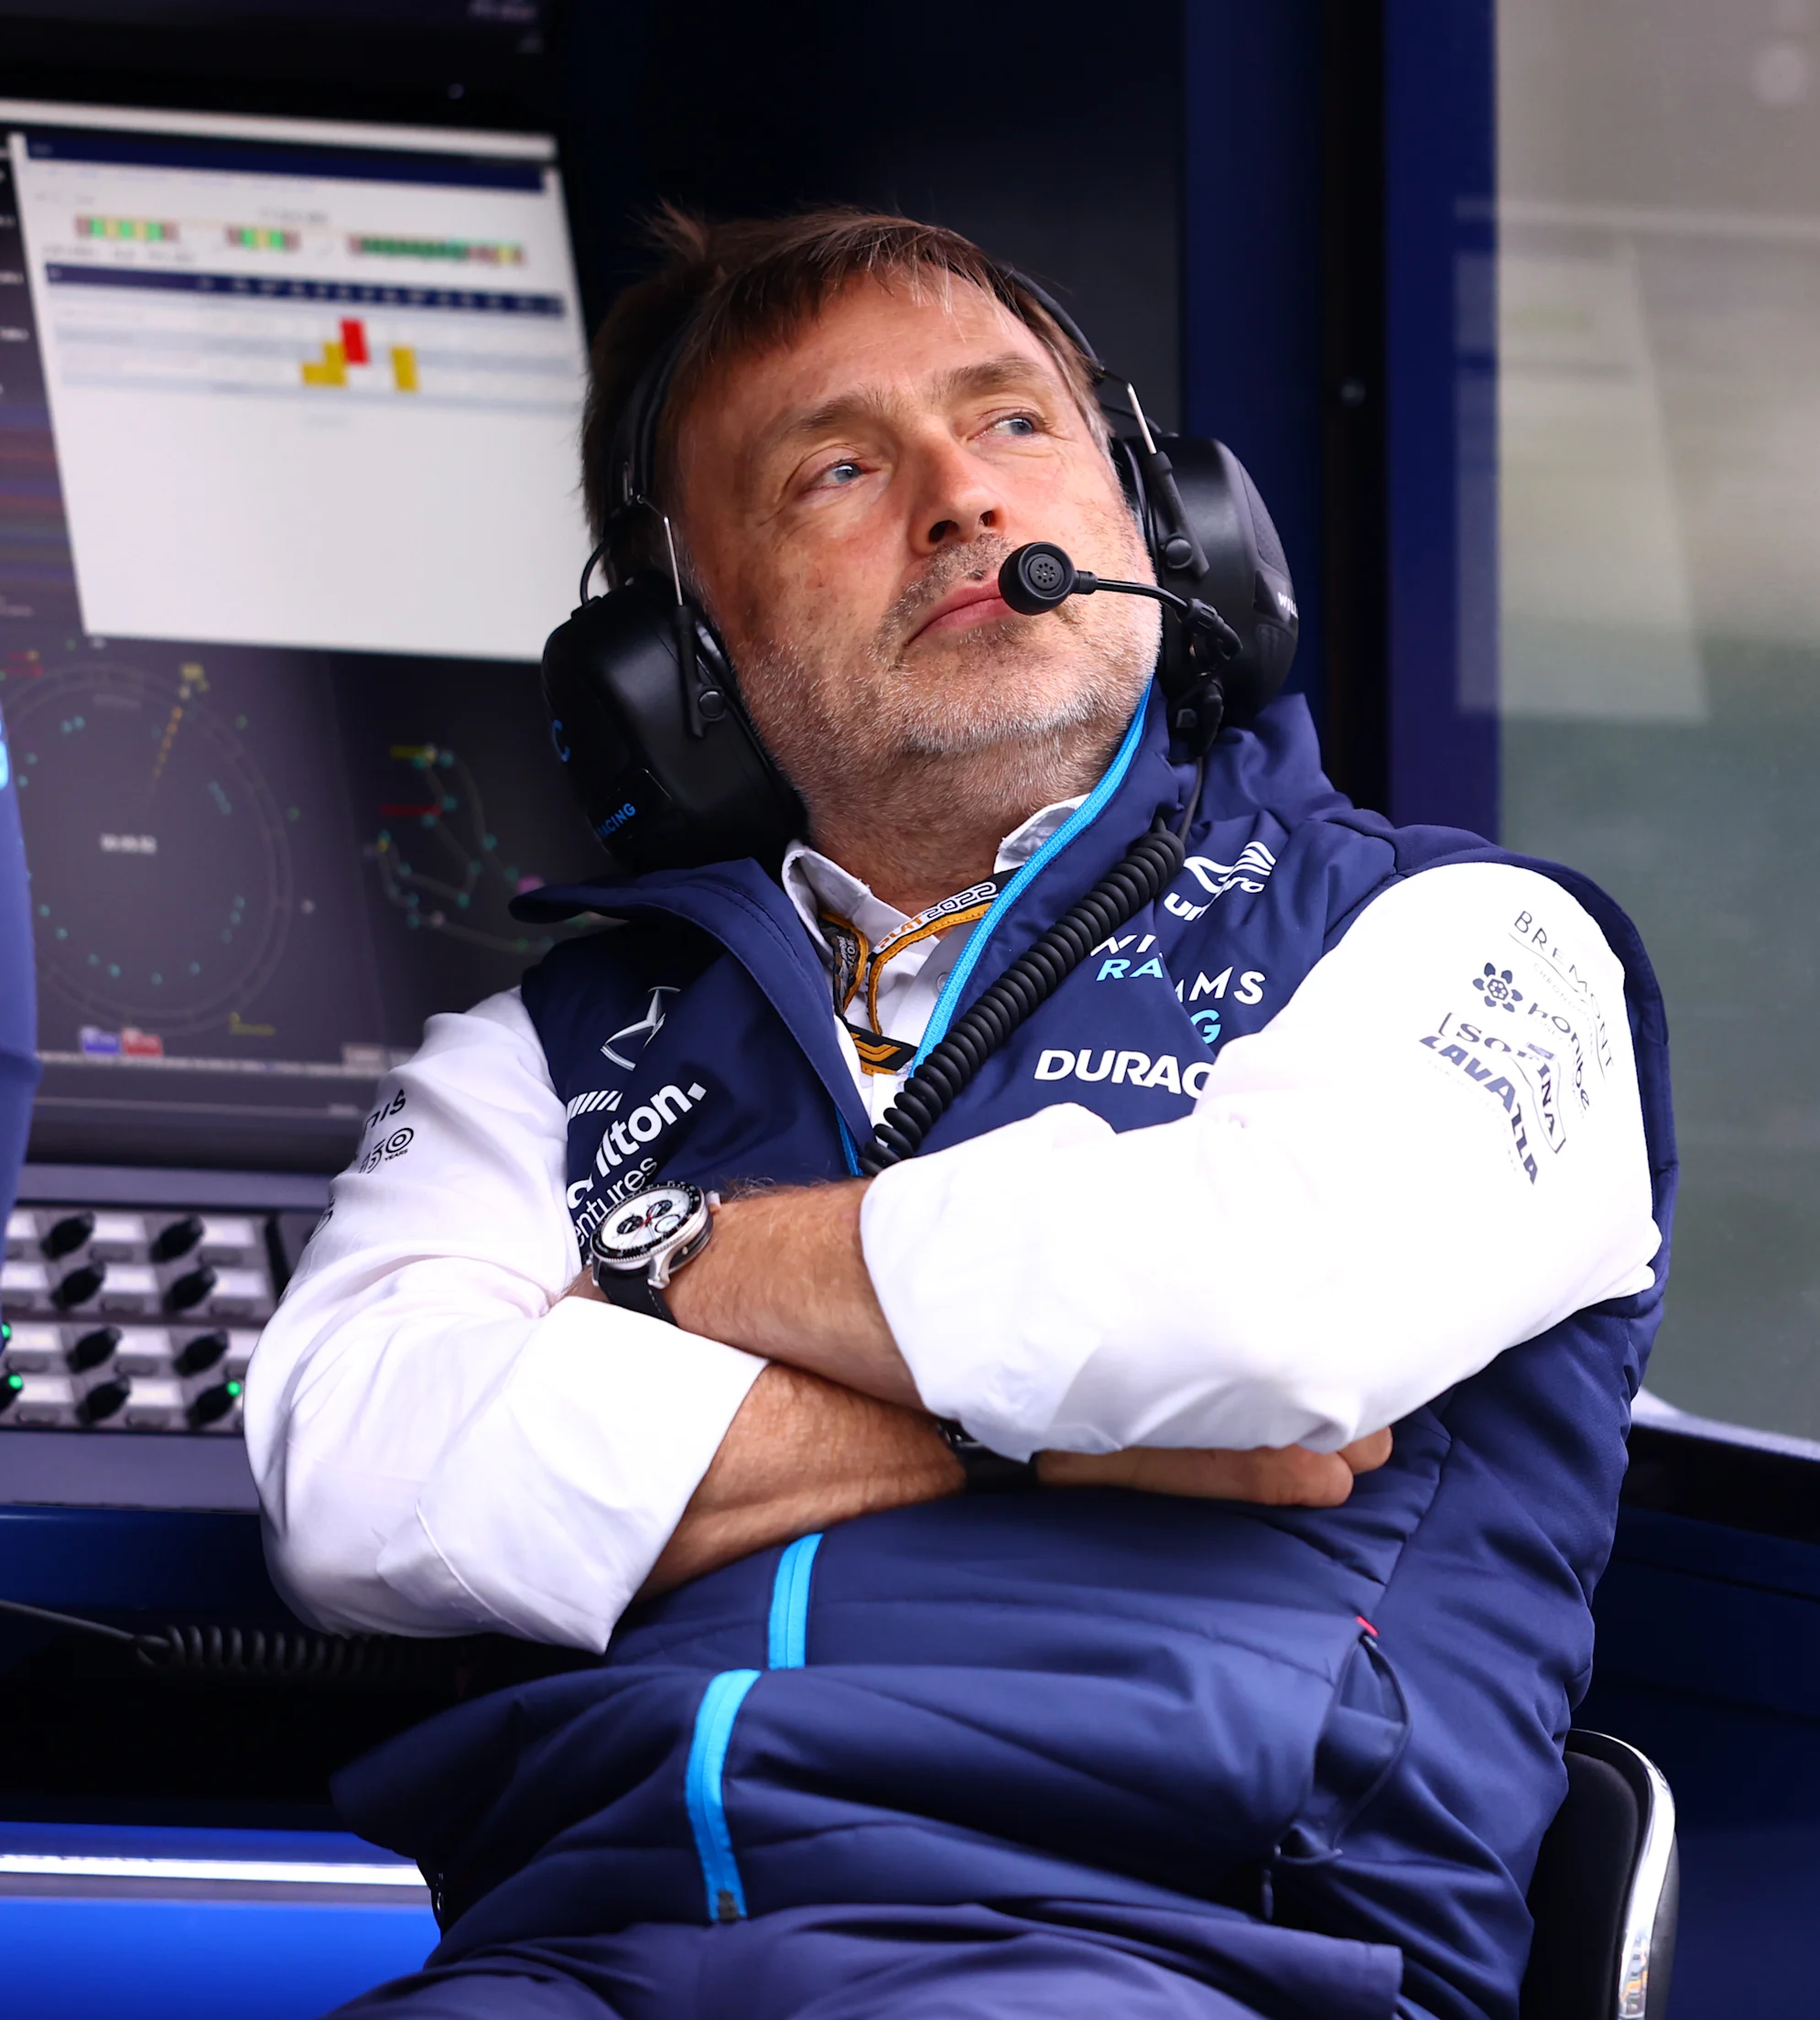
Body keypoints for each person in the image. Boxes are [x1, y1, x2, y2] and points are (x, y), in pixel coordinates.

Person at [243, 208, 1673, 2020]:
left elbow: (1263, 1315)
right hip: (573, 1962)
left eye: (1010, 423)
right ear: (684, 654)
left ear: (1164, 520)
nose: (959, 498)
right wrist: (1048, 1425)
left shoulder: (1462, 941)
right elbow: (362, 1473)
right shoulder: (539, 1052)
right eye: (838, 467)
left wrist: (666, 1259)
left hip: (1172, 1952)